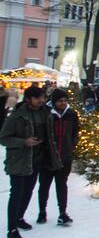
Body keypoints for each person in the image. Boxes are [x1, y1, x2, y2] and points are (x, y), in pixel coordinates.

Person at [0, 86, 61, 238]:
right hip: (20, 161)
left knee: (28, 191)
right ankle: (12, 229)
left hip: (37, 159)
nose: (41, 100)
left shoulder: (45, 113)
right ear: (28, 99)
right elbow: (4, 138)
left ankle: (19, 217)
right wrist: (24, 142)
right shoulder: (17, 116)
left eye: (42, 97)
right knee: (17, 193)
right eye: (37, 98)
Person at [37, 89, 78, 226]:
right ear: (54, 102)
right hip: (47, 157)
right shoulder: (46, 113)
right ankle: (42, 211)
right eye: (60, 101)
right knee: (44, 185)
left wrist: (71, 147)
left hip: (64, 157)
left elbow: (75, 133)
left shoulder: (71, 114)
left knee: (62, 185)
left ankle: (62, 213)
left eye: (65, 100)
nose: (63, 103)